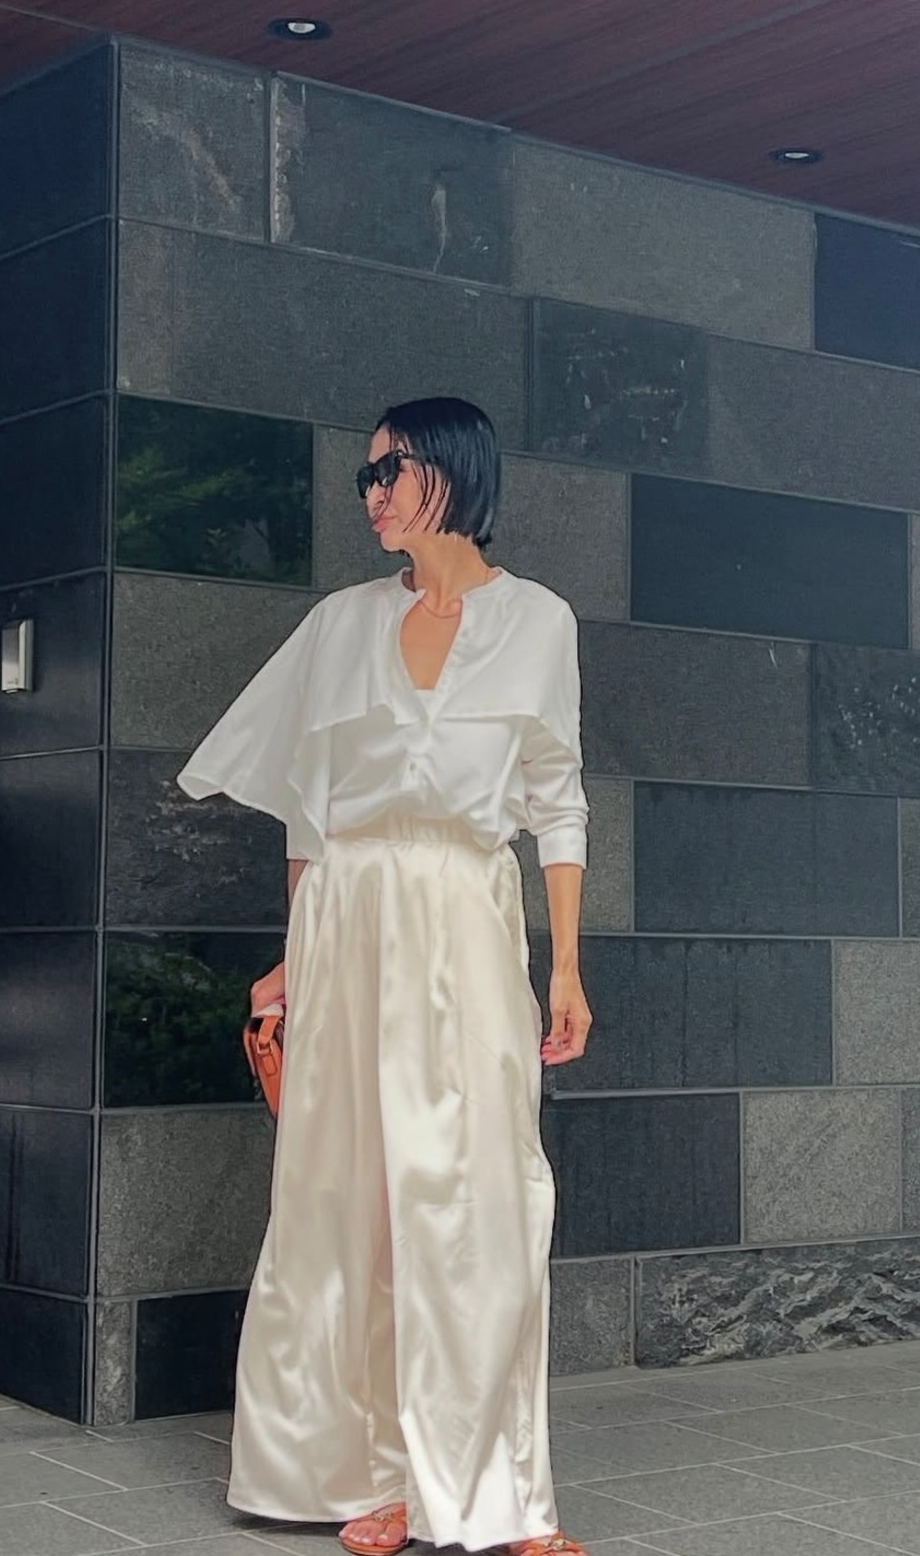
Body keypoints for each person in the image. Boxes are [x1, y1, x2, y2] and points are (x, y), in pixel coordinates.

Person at [177, 396, 594, 1556]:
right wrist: (296, 959)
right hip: (347, 918)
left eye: (388, 471)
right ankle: (370, 1476)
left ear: (452, 471)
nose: (370, 495)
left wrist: (565, 967)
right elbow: (308, 818)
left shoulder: (539, 622)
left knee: (481, 1194)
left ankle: (501, 1492)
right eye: (364, 477)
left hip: (463, 914)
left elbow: (555, 801)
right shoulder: (341, 624)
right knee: (343, 1197)